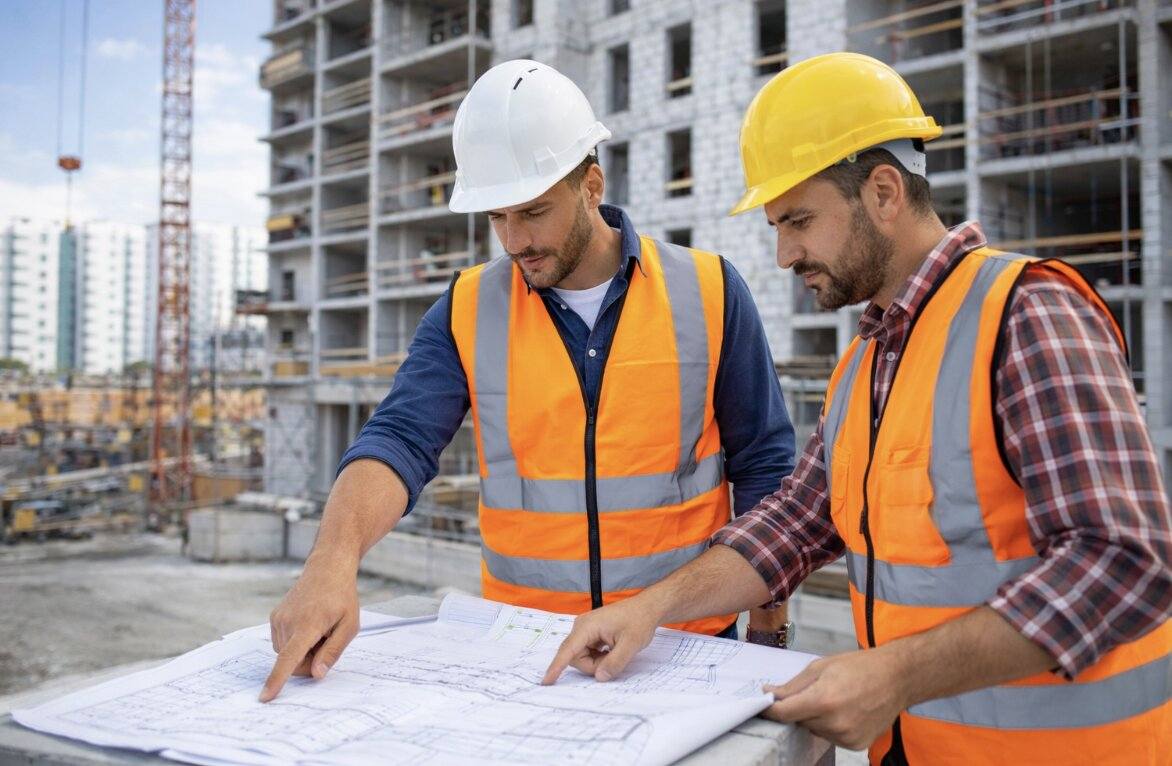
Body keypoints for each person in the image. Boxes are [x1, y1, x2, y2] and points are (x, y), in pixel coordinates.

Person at [543, 52, 1171, 765]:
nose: (783, 254)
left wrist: (895, 674)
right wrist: (648, 608)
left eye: (799, 220)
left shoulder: (1027, 315)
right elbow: (796, 526)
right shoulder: (868, 361)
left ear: (882, 192)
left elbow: (1127, 561)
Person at [259, 60, 798, 702]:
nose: (515, 240)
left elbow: (765, 464)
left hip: (682, 649)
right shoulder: (467, 309)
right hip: (524, 658)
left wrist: (769, 623)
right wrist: (333, 559)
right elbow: (398, 440)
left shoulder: (708, 292)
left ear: (591, 184)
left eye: (534, 211)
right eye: (497, 217)